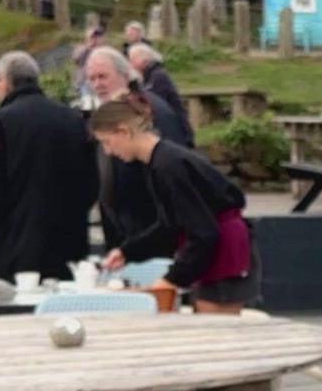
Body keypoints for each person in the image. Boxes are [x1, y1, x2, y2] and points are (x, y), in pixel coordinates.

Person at [89, 90, 259, 313]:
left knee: (214, 337)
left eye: (107, 142)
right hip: (216, 250)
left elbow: (203, 233)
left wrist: (172, 279)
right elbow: (170, 224)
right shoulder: (161, 161)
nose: (108, 152)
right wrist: (128, 252)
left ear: (124, 131)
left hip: (223, 254)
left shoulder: (168, 166)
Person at [0, 51, 99, 281]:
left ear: (2, 82)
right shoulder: (75, 122)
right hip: (69, 252)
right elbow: (92, 185)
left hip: (11, 255)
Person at [85, 46, 192, 251]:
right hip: (127, 234)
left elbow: (165, 171)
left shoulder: (147, 110)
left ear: (125, 76)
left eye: (103, 77)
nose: (97, 84)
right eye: (92, 79)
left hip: (151, 232)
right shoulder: (116, 112)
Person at [128, 42, 195, 147]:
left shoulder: (158, 77)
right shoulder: (147, 77)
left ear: (143, 60)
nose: (129, 64)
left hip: (175, 130)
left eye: (132, 59)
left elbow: (155, 105)